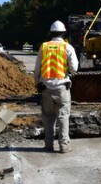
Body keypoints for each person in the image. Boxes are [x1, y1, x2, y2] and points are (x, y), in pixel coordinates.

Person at [34, 20, 79, 153]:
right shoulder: (67, 47)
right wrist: (69, 72)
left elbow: (37, 69)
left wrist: (37, 84)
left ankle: (48, 145)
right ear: (63, 32)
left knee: (48, 117)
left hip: (46, 88)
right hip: (62, 88)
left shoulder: (44, 47)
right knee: (63, 116)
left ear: (51, 33)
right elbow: (74, 68)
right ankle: (64, 146)